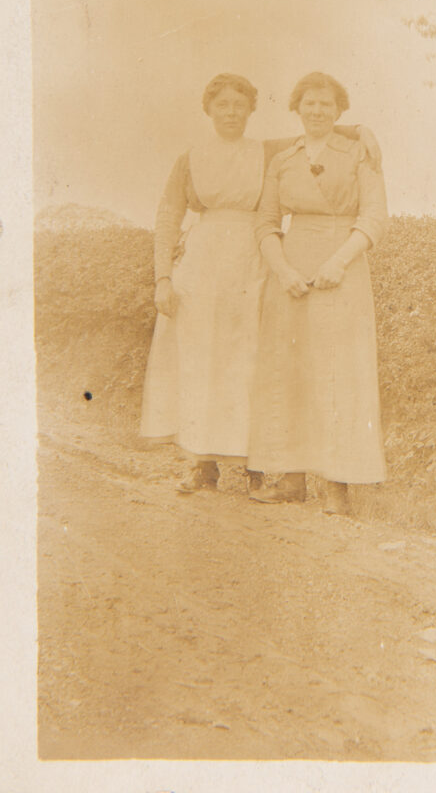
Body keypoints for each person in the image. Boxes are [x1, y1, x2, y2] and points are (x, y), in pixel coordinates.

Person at [140, 72, 381, 493]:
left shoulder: (269, 151)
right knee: (200, 359)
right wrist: (162, 277)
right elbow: (167, 217)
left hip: (254, 263)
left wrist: (359, 129)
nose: (231, 113)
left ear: (252, 110)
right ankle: (201, 464)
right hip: (200, 267)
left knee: (252, 360)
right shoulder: (190, 157)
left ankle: (253, 467)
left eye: (240, 105)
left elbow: (316, 127)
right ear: (208, 109)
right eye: (222, 106)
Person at [247, 72, 388, 515]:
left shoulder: (359, 152)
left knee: (338, 371)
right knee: (289, 369)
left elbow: (375, 218)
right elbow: (266, 222)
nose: (317, 111)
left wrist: (339, 261)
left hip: (341, 267)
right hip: (291, 270)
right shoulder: (282, 158)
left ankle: (336, 486)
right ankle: (291, 479)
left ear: (339, 110)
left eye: (326, 104)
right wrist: (283, 269)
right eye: (309, 103)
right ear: (297, 107)